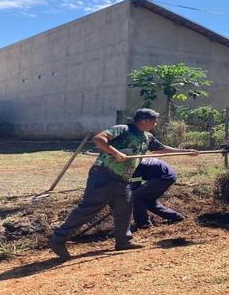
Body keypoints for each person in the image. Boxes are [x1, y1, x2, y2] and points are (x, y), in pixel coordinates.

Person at [48, 108, 197, 259]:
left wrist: (186, 151)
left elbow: (162, 149)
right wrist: (115, 152)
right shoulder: (123, 129)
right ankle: (58, 240)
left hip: (123, 179)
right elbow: (98, 139)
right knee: (89, 208)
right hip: (104, 175)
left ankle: (123, 240)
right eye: (154, 121)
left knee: (124, 208)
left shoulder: (147, 137)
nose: (156, 124)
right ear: (145, 120)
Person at [130, 157, 184, 230]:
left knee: (136, 196)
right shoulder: (137, 160)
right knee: (149, 201)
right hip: (168, 174)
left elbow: (135, 187)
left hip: (164, 177)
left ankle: (143, 224)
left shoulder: (134, 166)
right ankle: (175, 217)